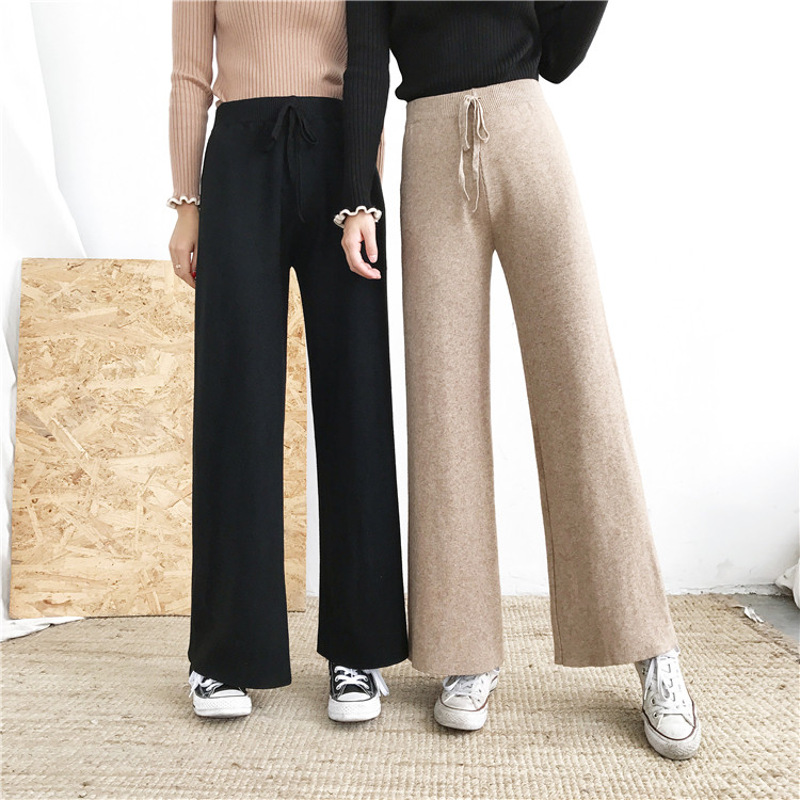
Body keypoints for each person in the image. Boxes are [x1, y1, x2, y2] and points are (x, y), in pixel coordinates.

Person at [338, 1, 701, 759]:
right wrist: (356, 198)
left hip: (524, 128)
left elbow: (559, 57)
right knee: (442, 401)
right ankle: (464, 649)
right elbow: (366, 63)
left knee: (581, 380)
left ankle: (650, 645)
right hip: (429, 147)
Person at [167, 0, 407, 723]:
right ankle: (225, 653)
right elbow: (189, 74)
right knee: (236, 399)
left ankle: (359, 650)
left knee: (356, 398)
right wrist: (187, 204)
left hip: (342, 158)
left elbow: (369, 68)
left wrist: (363, 189)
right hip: (240, 160)